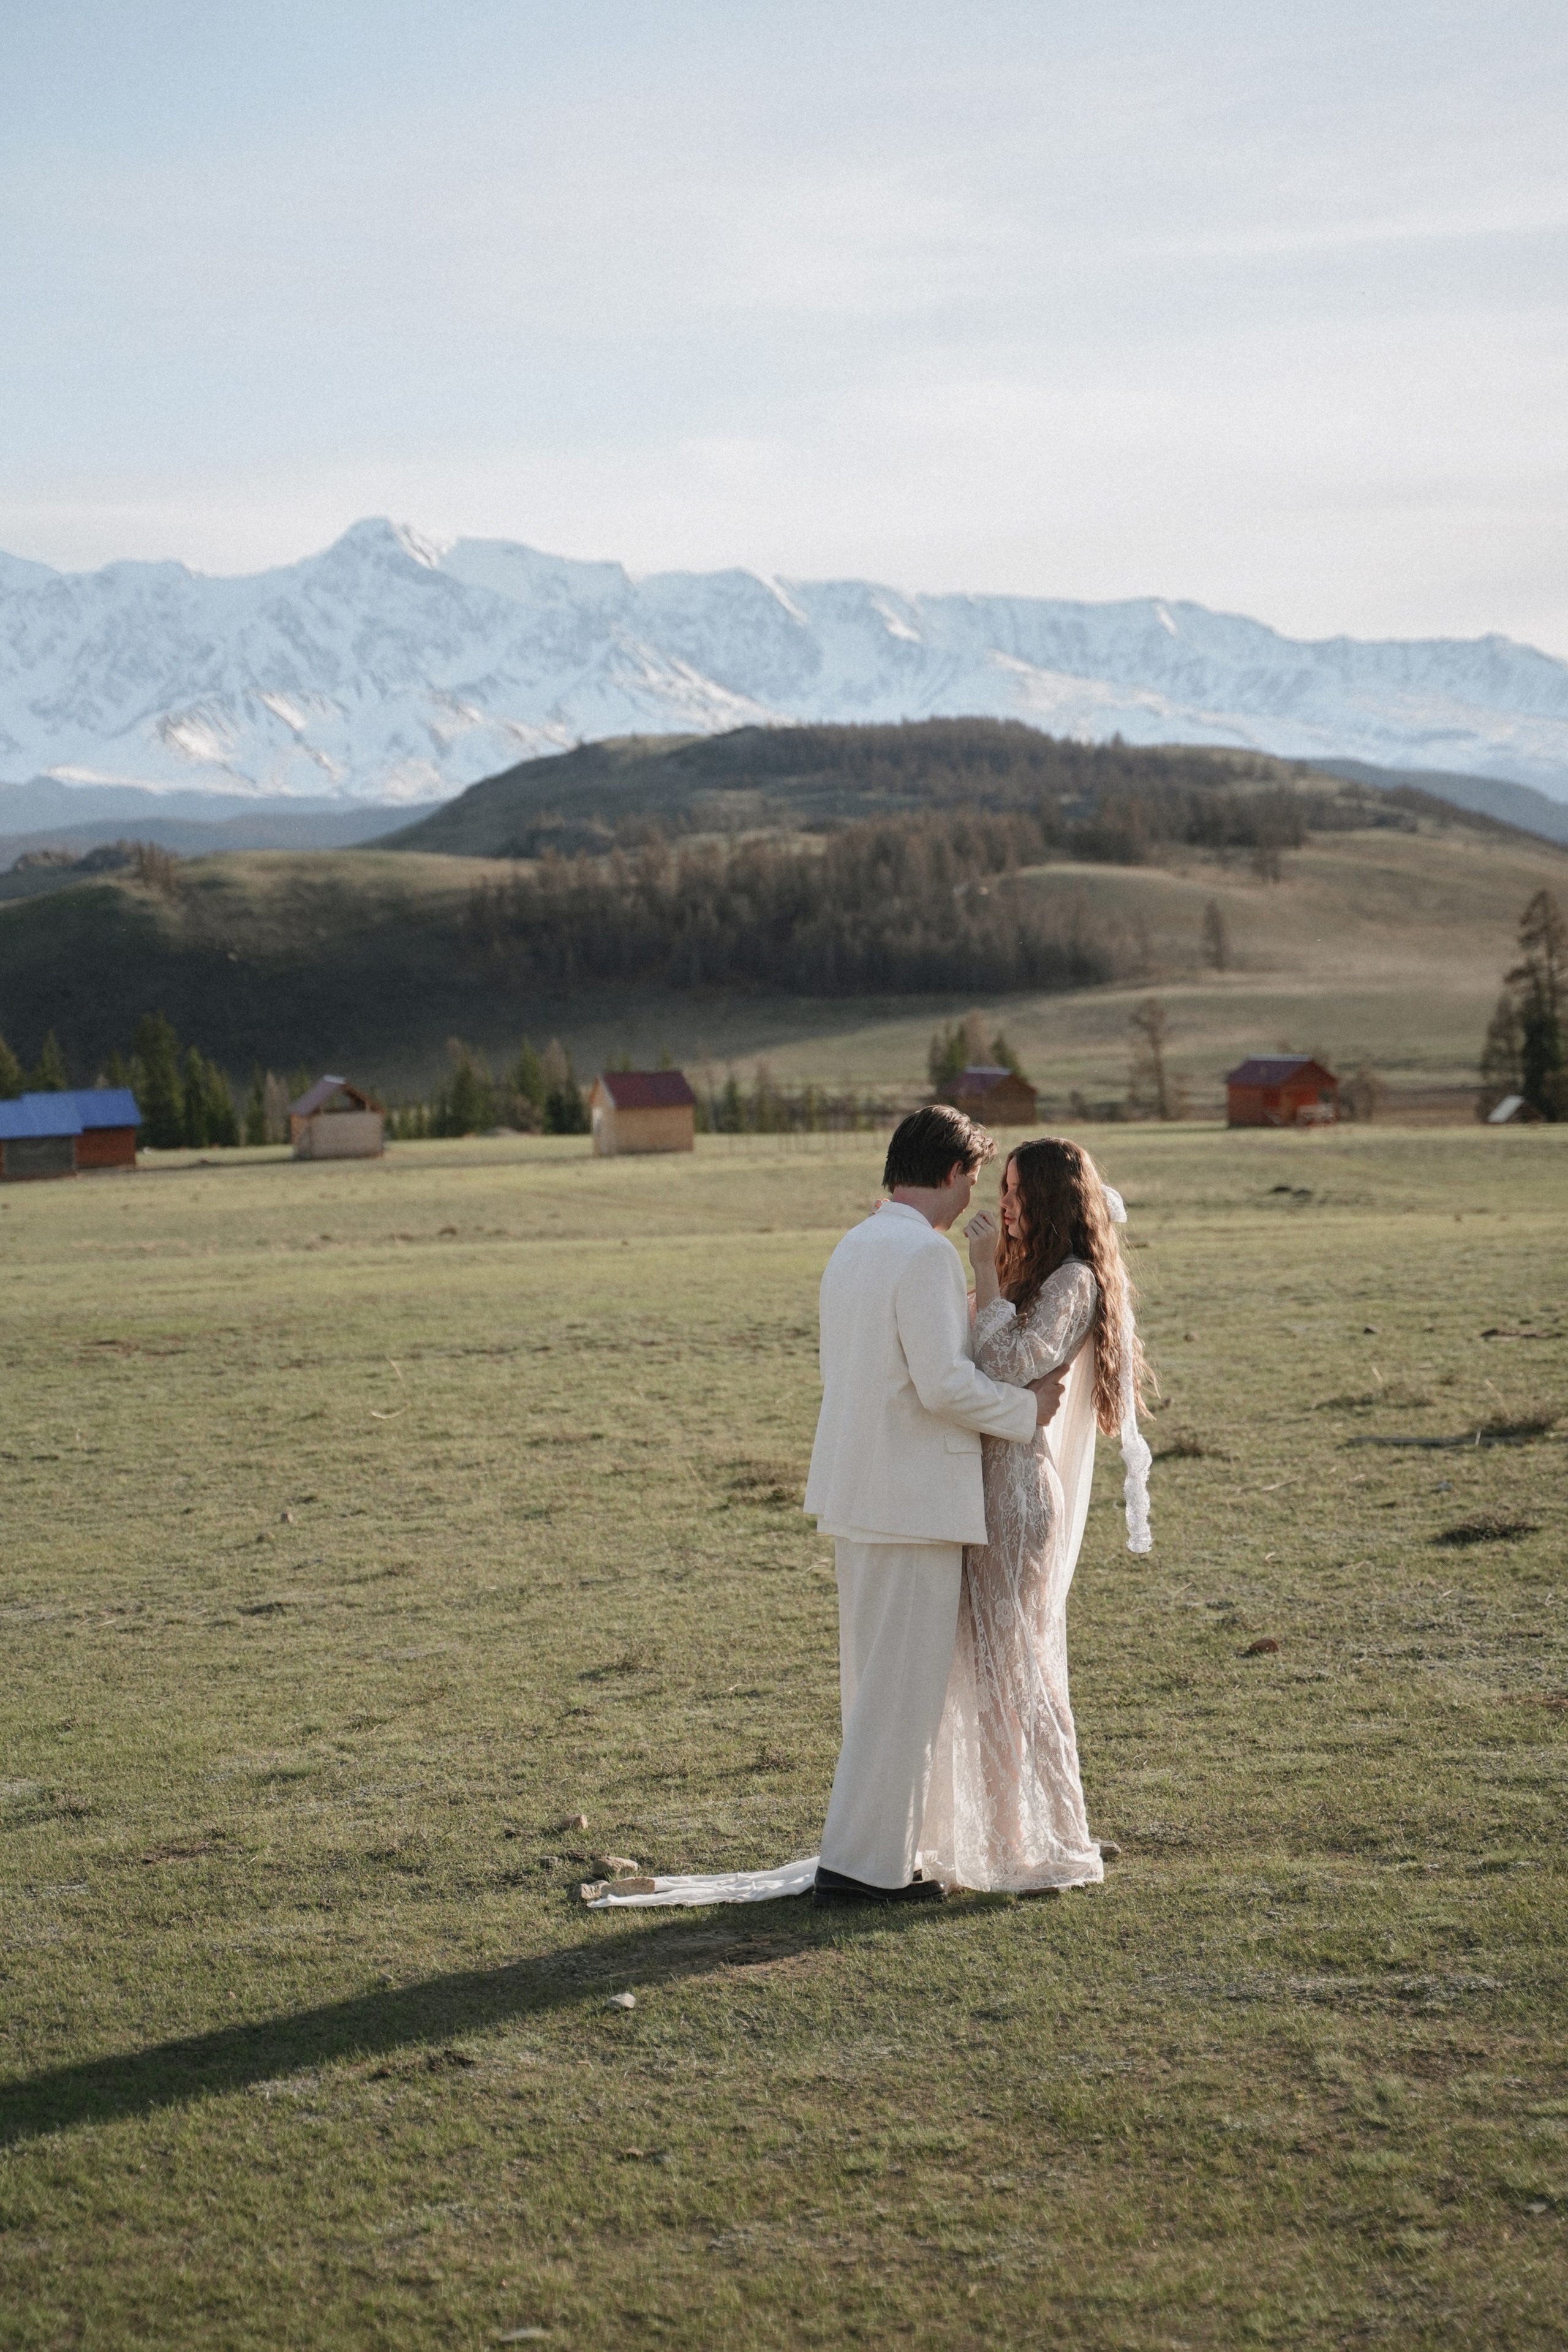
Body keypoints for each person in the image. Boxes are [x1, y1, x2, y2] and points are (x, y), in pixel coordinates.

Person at [802, 1107, 1072, 1908]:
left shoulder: (856, 1245)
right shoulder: (920, 1254)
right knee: (903, 1693)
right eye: (975, 1179)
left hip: (863, 1492)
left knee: (878, 1686)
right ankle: (861, 1872)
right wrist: (1029, 1411)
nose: (973, 1199)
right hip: (912, 1497)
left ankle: (876, 1859)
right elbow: (943, 1386)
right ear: (954, 1172)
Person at [919, 1137, 1152, 1894]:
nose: (1004, 1202)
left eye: (1017, 1190)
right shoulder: (1031, 1275)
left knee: (1019, 1674)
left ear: (1051, 1197)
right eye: (1003, 1187)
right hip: (980, 1486)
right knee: (992, 1674)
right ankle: (1004, 1835)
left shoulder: (1075, 1281)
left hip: (1019, 1496)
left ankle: (1048, 1837)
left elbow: (1010, 1364)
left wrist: (982, 1273)